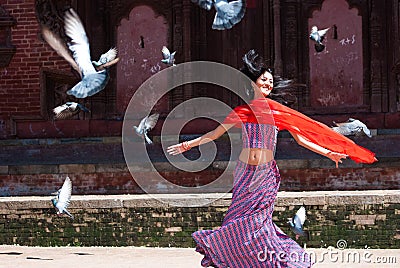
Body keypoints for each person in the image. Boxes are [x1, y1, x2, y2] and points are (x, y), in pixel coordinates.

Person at [167, 50, 377, 267]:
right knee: (236, 218)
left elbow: (301, 139)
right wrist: (187, 145)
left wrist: (327, 152)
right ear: (252, 84)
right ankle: (234, 258)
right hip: (244, 172)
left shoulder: (278, 113)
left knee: (258, 221)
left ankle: (275, 259)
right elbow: (214, 134)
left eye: (270, 81)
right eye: (263, 80)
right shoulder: (241, 111)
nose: (268, 84)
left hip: (265, 174)